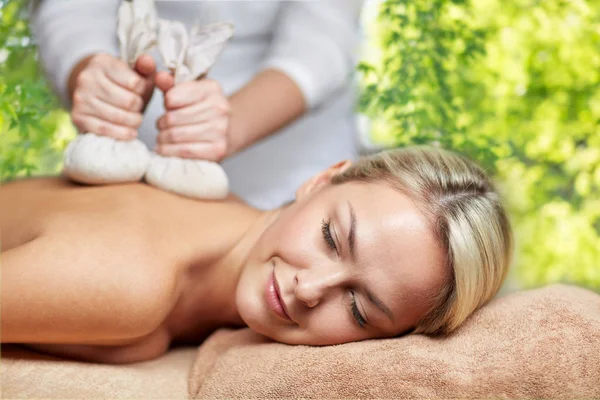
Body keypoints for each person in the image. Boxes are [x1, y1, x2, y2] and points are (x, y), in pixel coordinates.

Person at [1, 147, 513, 364]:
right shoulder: (131, 283)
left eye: (358, 309)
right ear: (321, 179)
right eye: (332, 238)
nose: (309, 290)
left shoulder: (217, 221)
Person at [31, 0, 364, 209]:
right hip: (135, 153)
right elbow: (71, 10)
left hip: (288, 163)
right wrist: (92, 73)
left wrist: (229, 125)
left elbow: (323, 41)